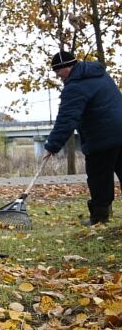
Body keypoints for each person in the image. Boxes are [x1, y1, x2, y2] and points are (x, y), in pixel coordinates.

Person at [43, 51, 122, 225]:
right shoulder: (99, 74)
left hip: (101, 137)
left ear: (67, 67)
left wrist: (52, 145)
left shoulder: (75, 86)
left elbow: (67, 119)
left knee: (98, 177)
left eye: (58, 71)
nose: (57, 75)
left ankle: (100, 218)